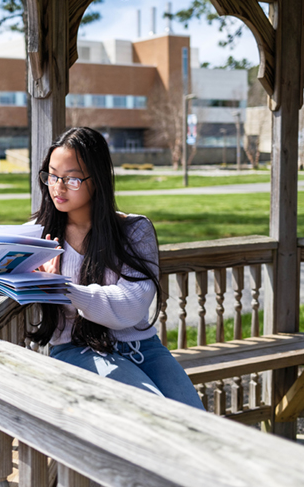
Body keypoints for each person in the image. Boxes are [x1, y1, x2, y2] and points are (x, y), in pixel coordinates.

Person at [30, 127, 204, 410]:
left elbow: (133, 304)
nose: (58, 187)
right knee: (154, 412)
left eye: (72, 178)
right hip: (76, 349)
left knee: (196, 419)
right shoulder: (39, 236)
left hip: (143, 348)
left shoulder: (135, 231)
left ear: (96, 179)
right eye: (52, 175)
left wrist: (64, 289)